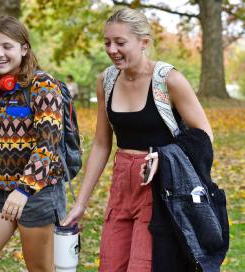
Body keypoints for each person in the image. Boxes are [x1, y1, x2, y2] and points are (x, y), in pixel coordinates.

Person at [63, 7, 213, 272]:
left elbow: (204, 135)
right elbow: (101, 143)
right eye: (107, 42)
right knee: (111, 266)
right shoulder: (106, 81)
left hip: (159, 187)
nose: (111, 50)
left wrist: (164, 157)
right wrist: (80, 203)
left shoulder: (169, 81)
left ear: (144, 42)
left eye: (120, 42)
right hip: (122, 184)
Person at [0, 16, 66, 272]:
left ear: (24, 49)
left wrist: (24, 190)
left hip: (38, 193)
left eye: (7, 46)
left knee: (39, 269)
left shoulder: (43, 86)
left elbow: (47, 145)